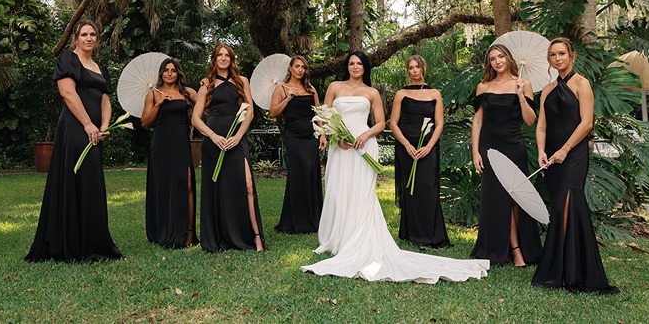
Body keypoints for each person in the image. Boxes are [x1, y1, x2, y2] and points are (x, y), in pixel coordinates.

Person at [301, 51, 489, 283]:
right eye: (351, 63)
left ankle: (359, 239)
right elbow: (323, 116)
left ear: (365, 67)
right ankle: (336, 239)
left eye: (359, 63)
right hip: (341, 148)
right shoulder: (334, 87)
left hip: (363, 146)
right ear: (346, 66)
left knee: (362, 194)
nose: (355, 66)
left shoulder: (372, 92)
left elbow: (381, 122)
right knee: (338, 192)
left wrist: (366, 134)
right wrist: (336, 136)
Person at [26, 20, 122, 262]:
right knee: (78, 178)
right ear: (76, 39)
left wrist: (103, 126)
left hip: (95, 131)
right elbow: (67, 93)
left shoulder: (100, 68)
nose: (89, 38)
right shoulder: (68, 60)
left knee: (92, 183)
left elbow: (105, 100)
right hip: (75, 128)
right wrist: (88, 124)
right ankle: (72, 243)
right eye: (84, 34)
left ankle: (94, 241)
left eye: (93, 34)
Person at [531, 38, 619, 294]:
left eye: (561, 53)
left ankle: (573, 273)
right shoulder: (546, 90)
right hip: (552, 158)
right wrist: (541, 151)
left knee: (566, 205)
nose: (557, 58)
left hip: (573, 154)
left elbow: (587, 123)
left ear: (571, 55)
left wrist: (565, 149)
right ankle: (560, 271)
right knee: (560, 208)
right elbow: (542, 125)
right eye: (552, 55)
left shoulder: (582, 83)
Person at [470, 44, 542, 267]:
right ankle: (515, 252)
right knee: (498, 199)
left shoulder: (523, 84)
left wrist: (520, 95)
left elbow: (530, 120)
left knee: (515, 199)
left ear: (509, 58)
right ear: (488, 63)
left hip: (514, 146)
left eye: (501, 56)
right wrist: (475, 152)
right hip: (490, 148)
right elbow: (478, 121)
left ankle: (520, 247)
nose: (497, 61)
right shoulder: (483, 86)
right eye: (492, 59)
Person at [192, 43, 265, 252]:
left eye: (227, 55)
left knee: (248, 186)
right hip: (214, 140)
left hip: (237, 138)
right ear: (214, 60)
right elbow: (195, 118)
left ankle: (256, 237)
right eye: (219, 55)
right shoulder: (206, 85)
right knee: (217, 190)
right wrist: (213, 136)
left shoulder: (242, 81)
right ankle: (218, 237)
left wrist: (238, 136)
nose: (223, 59)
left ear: (232, 59)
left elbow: (249, 113)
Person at [389, 55, 450, 249]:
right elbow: (393, 123)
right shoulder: (401, 93)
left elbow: (439, 123)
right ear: (407, 71)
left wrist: (429, 146)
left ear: (423, 68)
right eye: (410, 68)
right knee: (411, 190)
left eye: (417, 67)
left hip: (428, 146)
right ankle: (415, 235)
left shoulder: (435, 93)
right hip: (407, 146)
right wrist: (407, 145)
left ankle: (433, 234)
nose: (414, 70)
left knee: (428, 187)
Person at [141, 58, 199, 248]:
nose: (169, 73)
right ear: (161, 73)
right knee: (163, 186)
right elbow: (145, 123)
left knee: (187, 182)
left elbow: (206, 103)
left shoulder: (187, 92)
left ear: (178, 73)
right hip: (161, 144)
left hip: (181, 144)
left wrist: (206, 86)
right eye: (166, 70)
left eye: (173, 70)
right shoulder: (153, 94)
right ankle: (164, 230)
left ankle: (189, 233)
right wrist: (158, 105)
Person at [268, 56, 325, 234]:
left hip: (311, 136)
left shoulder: (311, 89)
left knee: (311, 172)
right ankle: (295, 221)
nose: (300, 70)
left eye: (303, 67)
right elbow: (272, 113)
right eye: (297, 66)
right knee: (297, 173)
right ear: (290, 68)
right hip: (293, 136)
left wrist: (322, 134)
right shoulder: (281, 88)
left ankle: (314, 219)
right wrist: (287, 99)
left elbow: (318, 113)